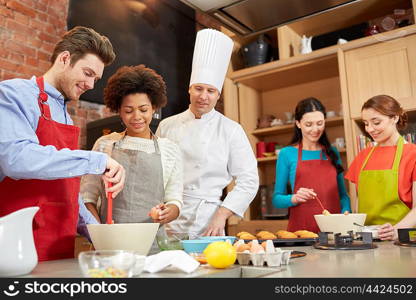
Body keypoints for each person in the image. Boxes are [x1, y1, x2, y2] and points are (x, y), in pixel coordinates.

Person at [0, 26, 126, 261]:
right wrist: (96, 160)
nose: (91, 85)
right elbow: (16, 158)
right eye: (88, 73)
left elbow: (66, 187)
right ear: (65, 59)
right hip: (16, 246)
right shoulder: (13, 94)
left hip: (58, 245)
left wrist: (98, 233)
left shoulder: (65, 115)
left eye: (96, 79)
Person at [156, 28, 259, 238]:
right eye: (198, 88)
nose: (203, 96)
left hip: (209, 219)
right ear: (189, 89)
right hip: (168, 216)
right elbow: (156, 173)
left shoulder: (231, 130)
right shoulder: (167, 126)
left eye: (210, 91)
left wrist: (222, 215)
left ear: (218, 95)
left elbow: (249, 180)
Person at [80, 65, 183, 228]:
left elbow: (175, 200)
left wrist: (168, 212)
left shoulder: (169, 150)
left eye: (143, 110)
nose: (137, 117)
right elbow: (87, 197)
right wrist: (98, 231)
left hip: (152, 245)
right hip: (111, 244)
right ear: (119, 111)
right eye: (128, 111)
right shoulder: (104, 144)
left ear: (153, 108)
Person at [272, 97, 351, 233]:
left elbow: (343, 195)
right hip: (302, 232)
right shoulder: (287, 154)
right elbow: (277, 199)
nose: (315, 129)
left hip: (334, 231)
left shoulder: (332, 152)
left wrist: (346, 212)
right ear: (298, 123)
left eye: (319, 123)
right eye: (309, 124)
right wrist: (294, 198)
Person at [345, 95, 416, 240]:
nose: (370, 129)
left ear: (395, 118)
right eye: (366, 123)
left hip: (403, 239)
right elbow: (359, 205)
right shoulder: (363, 157)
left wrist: (396, 230)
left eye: (376, 122)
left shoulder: (412, 154)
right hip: (367, 241)